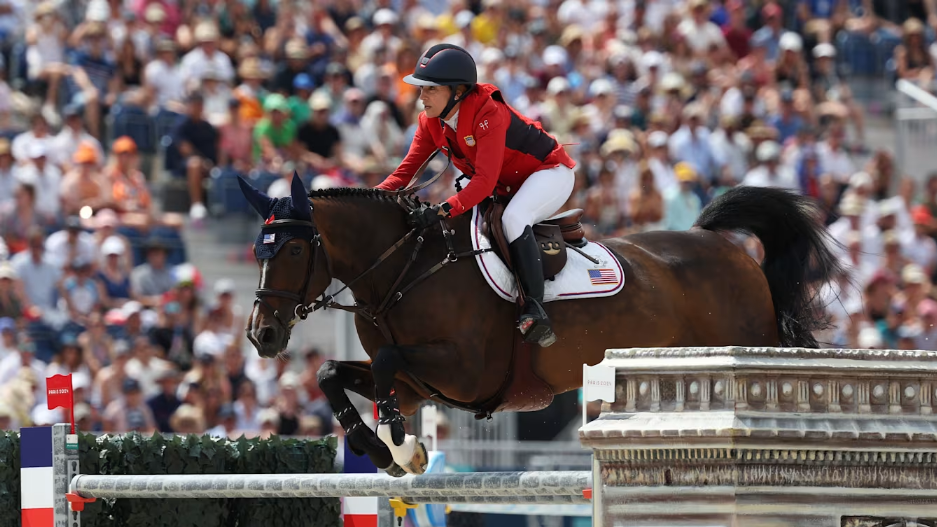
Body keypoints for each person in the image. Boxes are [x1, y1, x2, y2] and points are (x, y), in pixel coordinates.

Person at [374, 43, 576, 347]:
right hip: (506, 185)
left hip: (548, 173)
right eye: (422, 89)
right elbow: (403, 175)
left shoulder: (487, 113)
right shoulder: (429, 122)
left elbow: (483, 182)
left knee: (514, 218)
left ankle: (536, 308)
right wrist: (365, 199)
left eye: (430, 89)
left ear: (457, 91)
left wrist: (441, 209)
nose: (422, 96)